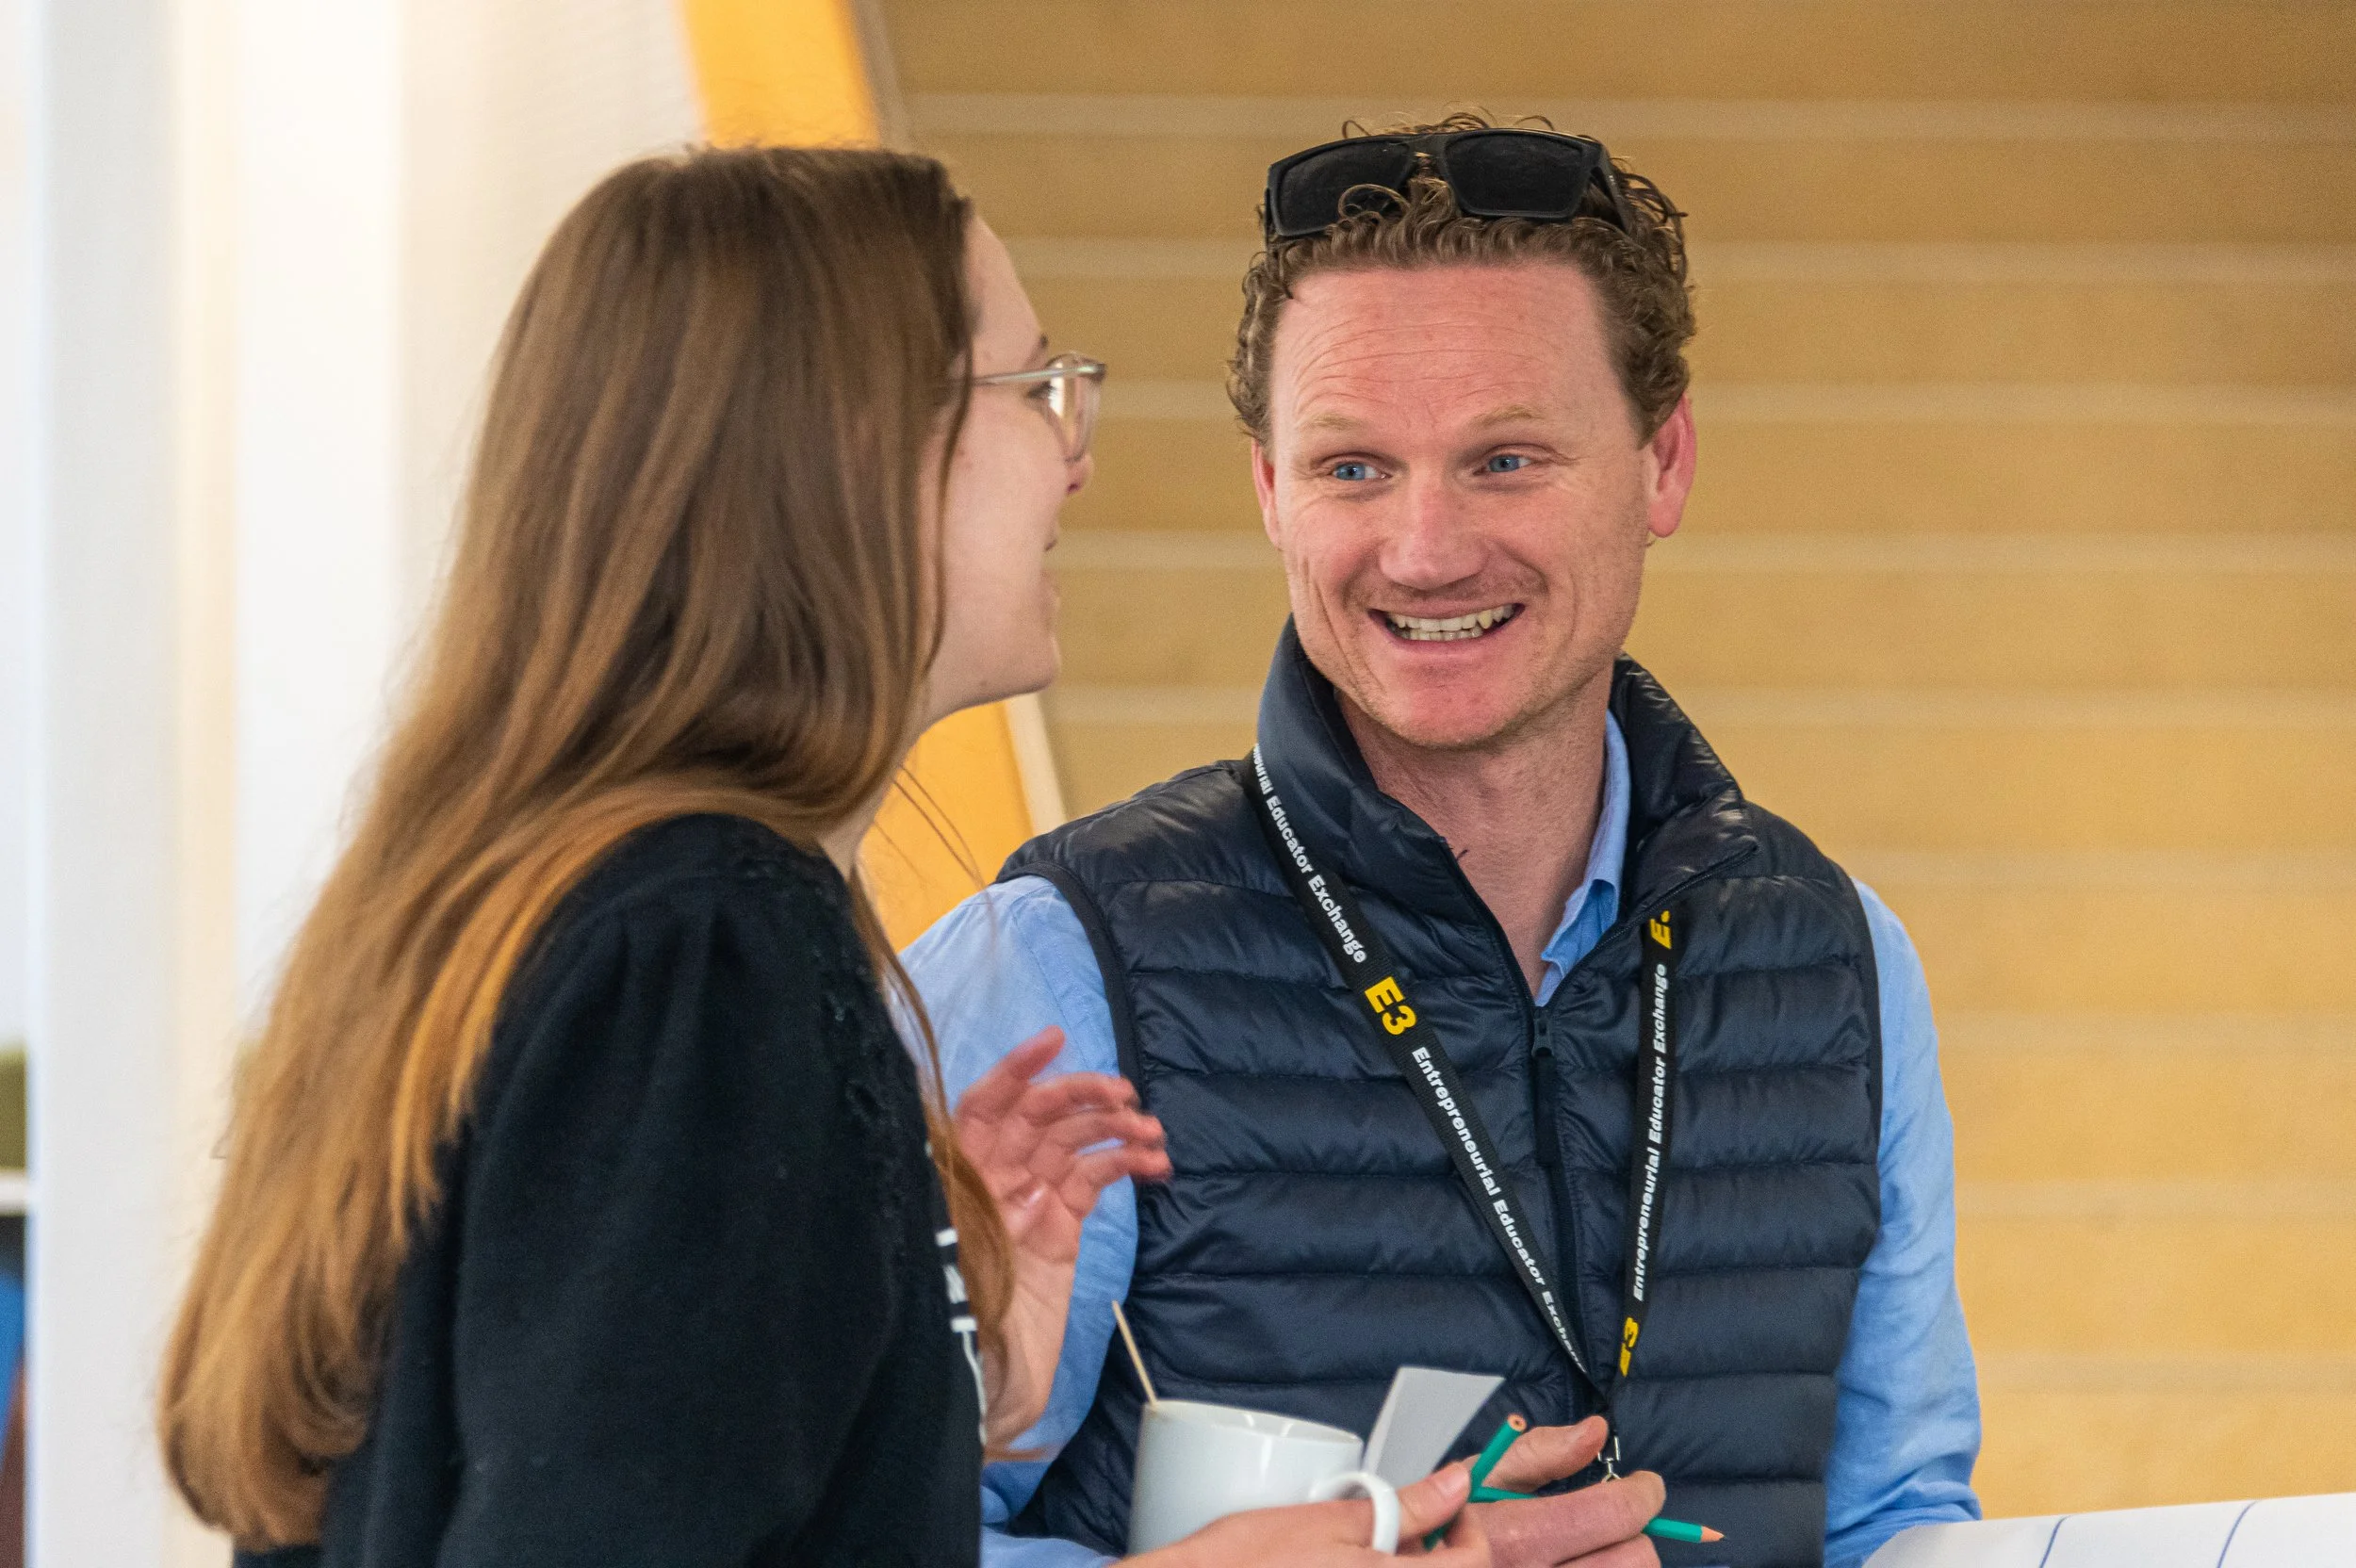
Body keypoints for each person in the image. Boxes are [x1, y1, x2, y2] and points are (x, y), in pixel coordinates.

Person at [155, 145, 1485, 1566]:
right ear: (856, 453)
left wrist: (928, 1361)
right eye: (1033, 389)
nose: (1077, 455)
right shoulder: (703, 952)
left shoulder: (580, 911)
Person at [907, 117, 1985, 1568]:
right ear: (1269, 491)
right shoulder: (1050, 967)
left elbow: (1899, 1523)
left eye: (1505, 460)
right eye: (1353, 468)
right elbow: (857, 1535)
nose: (1423, 551)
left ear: (1662, 463)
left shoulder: (1841, 962)